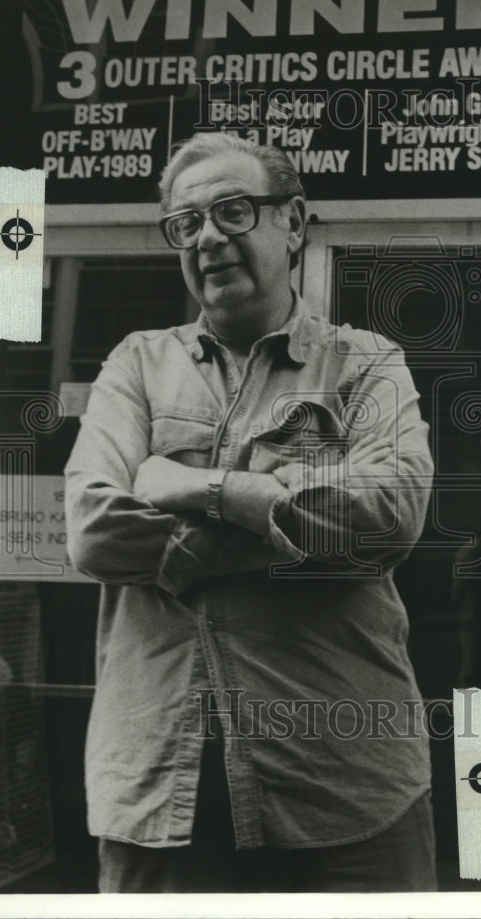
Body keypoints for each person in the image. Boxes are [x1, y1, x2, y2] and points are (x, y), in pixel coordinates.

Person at [64, 132, 436, 893]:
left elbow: (388, 516)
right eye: (186, 223)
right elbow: (94, 532)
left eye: (232, 211)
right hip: (160, 784)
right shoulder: (136, 364)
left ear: (292, 223)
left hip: (344, 783)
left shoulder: (366, 364)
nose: (207, 238)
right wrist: (284, 509)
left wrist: (199, 490)